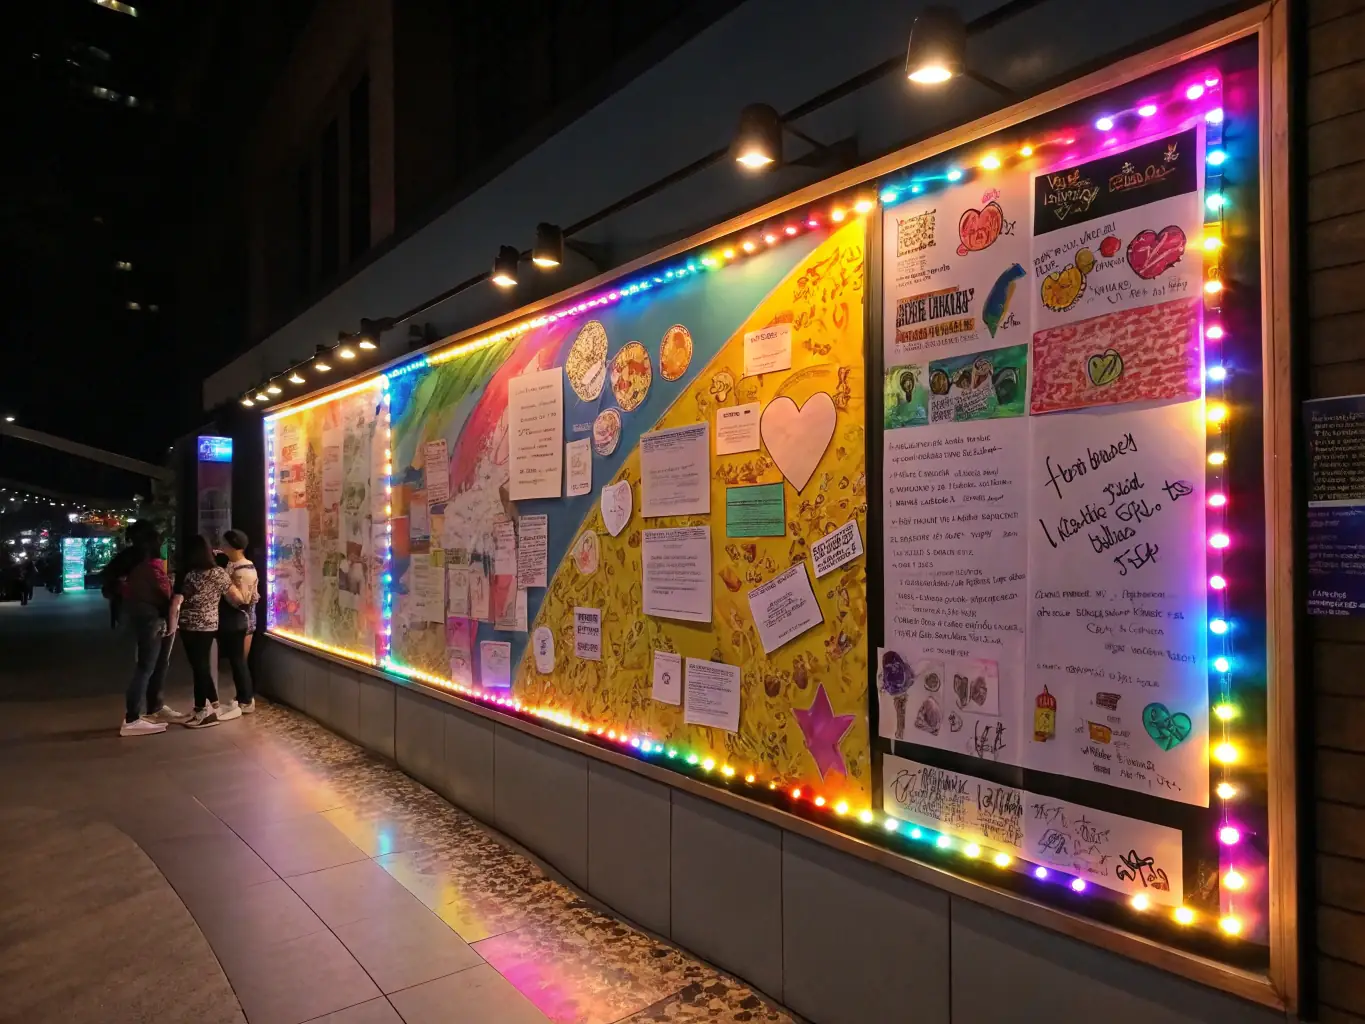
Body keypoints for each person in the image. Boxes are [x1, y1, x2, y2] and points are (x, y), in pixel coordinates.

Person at [102, 522, 189, 736]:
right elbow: (163, 592)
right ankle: (132, 719)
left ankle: (154, 708)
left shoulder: (132, 561)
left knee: (155, 665)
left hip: (146, 618)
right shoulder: (147, 565)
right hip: (151, 619)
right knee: (146, 667)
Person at [174, 534, 247, 728]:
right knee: (201, 666)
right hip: (209, 626)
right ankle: (202, 708)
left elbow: (181, 597)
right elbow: (237, 598)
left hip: (188, 625)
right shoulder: (219, 573)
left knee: (198, 667)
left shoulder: (190, 574)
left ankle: (207, 707)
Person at [216, 528, 259, 715]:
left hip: (242, 621)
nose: (221, 547)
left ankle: (246, 699)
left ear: (233, 546)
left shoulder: (244, 569)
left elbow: (242, 598)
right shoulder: (233, 565)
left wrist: (225, 584)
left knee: (239, 660)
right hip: (237, 620)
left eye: (224, 544)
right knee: (236, 660)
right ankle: (242, 697)